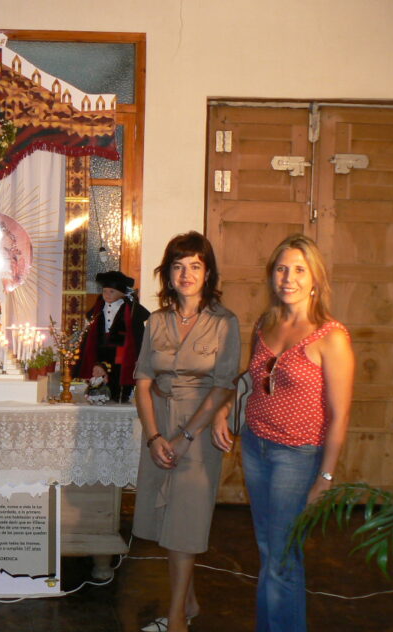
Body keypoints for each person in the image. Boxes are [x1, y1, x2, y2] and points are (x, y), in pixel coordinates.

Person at [214, 234, 353, 632]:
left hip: (298, 455)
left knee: (282, 558)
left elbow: (340, 414)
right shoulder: (265, 324)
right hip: (256, 446)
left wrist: (325, 477)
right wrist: (225, 408)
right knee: (269, 552)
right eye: (280, 269)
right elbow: (252, 380)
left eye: (298, 270)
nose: (287, 278)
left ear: (315, 279)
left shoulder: (332, 336)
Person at [132, 232, 241, 632]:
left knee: (186, 524)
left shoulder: (224, 322)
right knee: (168, 523)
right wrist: (154, 436)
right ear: (169, 274)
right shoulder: (156, 321)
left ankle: (176, 619)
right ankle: (190, 602)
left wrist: (185, 437)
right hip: (160, 421)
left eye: (195, 265)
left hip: (199, 426)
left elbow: (224, 384)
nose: (186, 273)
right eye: (178, 266)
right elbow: (142, 381)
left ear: (208, 272)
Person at [76, 270, 150, 403]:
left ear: (121, 293)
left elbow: (137, 332)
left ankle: (120, 394)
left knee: (119, 372)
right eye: (105, 291)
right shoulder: (99, 308)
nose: (107, 295)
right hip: (102, 345)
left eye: (112, 292)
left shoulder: (130, 309)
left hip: (121, 348)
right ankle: (100, 393)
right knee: (99, 370)